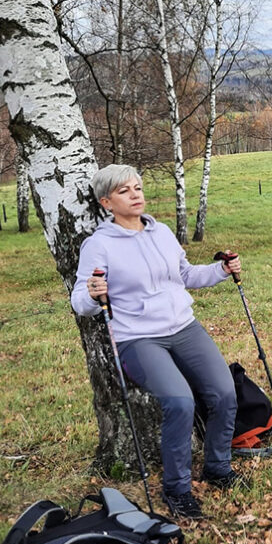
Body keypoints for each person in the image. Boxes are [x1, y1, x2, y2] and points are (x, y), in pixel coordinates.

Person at [71, 164, 242, 520]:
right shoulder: (98, 245)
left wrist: (220, 271)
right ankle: (177, 488)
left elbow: (185, 274)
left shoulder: (161, 231)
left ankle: (218, 467)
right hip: (139, 338)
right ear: (106, 202)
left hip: (184, 327)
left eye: (137, 187)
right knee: (179, 402)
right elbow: (81, 302)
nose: (135, 194)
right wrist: (91, 292)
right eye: (124, 191)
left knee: (224, 392)